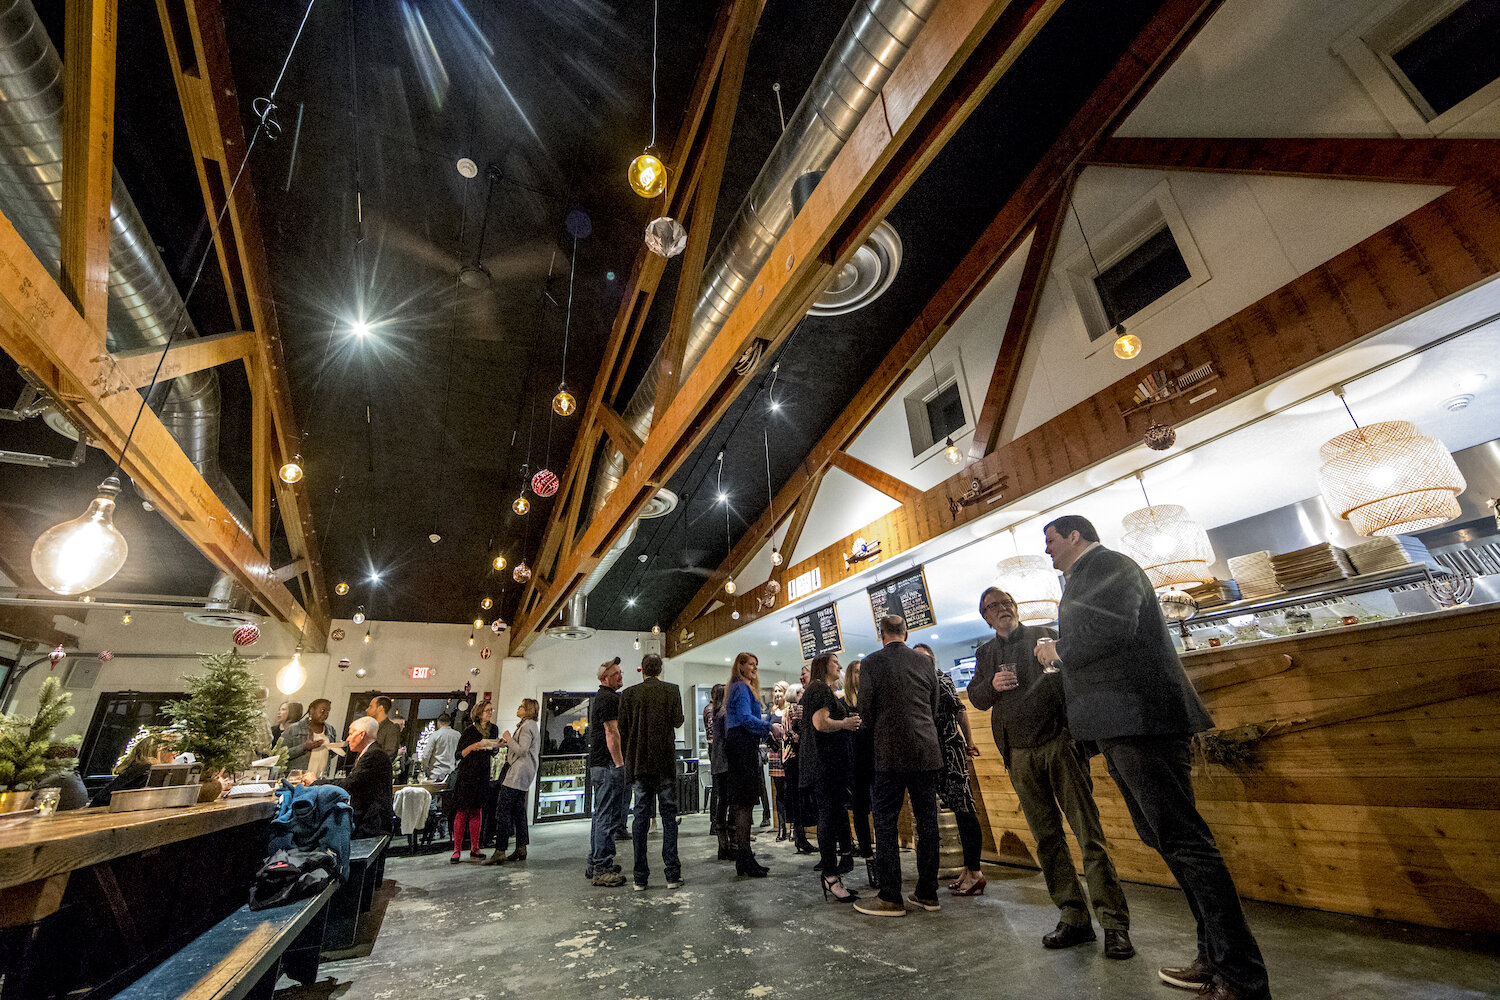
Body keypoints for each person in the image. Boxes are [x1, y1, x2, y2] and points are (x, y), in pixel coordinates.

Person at [1038, 515, 1268, 1000]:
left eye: (1052, 540)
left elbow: (1109, 633)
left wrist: (1057, 650)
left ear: (1076, 536)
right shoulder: (1087, 575)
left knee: (1186, 843)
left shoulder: (1110, 566)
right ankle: (1213, 958)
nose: (1048, 550)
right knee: (1168, 842)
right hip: (1121, 725)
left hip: (1142, 720)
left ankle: (1242, 978)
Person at [968, 588, 1133, 955]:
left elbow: (1076, 678)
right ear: (986, 618)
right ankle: (1073, 917)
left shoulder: (1046, 636)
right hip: (1019, 754)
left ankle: (1114, 924)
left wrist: (1077, 735)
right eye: (992, 607)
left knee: (1088, 834)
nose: (1001, 610)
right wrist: (991, 686)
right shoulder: (986, 653)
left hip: (1060, 744)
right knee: (1047, 839)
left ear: (1016, 606)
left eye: (1006, 603)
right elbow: (976, 699)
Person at [854, 614, 941, 918]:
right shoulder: (925, 662)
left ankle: (891, 896)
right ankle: (928, 894)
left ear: (881, 635)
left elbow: (865, 710)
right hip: (927, 750)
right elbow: (935, 703)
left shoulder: (871, 663)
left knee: (886, 823)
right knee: (927, 822)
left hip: (890, 751)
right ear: (906, 632)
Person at [913, 643, 987, 898]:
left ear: (932, 660)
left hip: (949, 750)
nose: (919, 662)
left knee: (964, 808)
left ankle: (976, 872)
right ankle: (968, 870)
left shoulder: (939, 679)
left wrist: (970, 742)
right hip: (935, 750)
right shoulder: (924, 682)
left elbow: (960, 711)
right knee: (957, 808)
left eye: (923, 658)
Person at [618, 653, 685, 890]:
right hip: (664, 763)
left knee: (640, 819)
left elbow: (623, 729)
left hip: (639, 764)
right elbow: (678, 721)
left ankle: (640, 878)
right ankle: (672, 875)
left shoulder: (628, 694)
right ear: (660, 668)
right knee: (669, 819)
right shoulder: (672, 690)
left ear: (642, 670)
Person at [803, 652, 862, 903]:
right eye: (834, 661)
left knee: (835, 816)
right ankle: (830, 876)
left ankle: (835, 874)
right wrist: (846, 723)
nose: (839, 665)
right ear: (823, 666)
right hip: (823, 767)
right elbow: (821, 723)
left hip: (831, 768)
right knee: (827, 818)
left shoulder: (823, 690)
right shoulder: (818, 689)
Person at [723, 652, 772, 878]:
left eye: (756, 664)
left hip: (739, 745)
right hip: (742, 746)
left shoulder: (735, 688)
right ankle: (744, 857)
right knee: (744, 803)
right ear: (740, 667)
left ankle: (745, 857)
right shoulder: (742, 689)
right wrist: (769, 727)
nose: (754, 668)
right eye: (751, 664)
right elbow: (744, 717)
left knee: (743, 803)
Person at [310, 715, 392, 839]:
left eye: (351, 734)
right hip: (367, 819)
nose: (348, 739)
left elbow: (350, 784)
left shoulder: (374, 754)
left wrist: (316, 782)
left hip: (372, 823)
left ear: (362, 734)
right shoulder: (369, 752)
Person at [588, 658, 627, 886]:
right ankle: (602, 868)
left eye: (621, 673)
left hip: (600, 764)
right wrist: (620, 764)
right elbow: (611, 732)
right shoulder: (609, 698)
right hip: (608, 765)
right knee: (606, 815)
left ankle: (595, 863)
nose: (620, 677)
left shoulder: (602, 697)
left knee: (600, 814)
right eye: (616, 674)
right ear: (604, 678)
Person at [489, 699, 540, 865]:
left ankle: (500, 850)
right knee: (519, 811)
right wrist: (509, 743)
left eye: (521, 707)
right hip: (524, 773)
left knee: (503, 810)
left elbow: (523, 750)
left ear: (528, 711)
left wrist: (509, 739)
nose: (518, 708)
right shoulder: (530, 726)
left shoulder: (527, 727)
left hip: (517, 773)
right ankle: (521, 846)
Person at [450, 702, 499, 863]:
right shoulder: (469, 731)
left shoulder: (493, 729)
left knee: (477, 810)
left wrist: (496, 745)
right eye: (487, 710)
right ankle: (457, 849)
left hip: (482, 774)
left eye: (491, 710)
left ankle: (475, 847)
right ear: (479, 713)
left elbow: (494, 751)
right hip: (467, 774)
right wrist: (474, 746)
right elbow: (459, 754)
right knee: (462, 811)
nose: (490, 713)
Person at [843, 659, 874, 857]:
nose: (860, 675)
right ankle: (865, 848)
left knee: (878, 806)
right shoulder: (843, 704)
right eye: (856, 672)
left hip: (874, 758)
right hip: (854, 761)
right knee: (860, 808)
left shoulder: (870, 699)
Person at [89, 733, 169, 807]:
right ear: (158, 752)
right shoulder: (147, 769)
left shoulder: (138, 767)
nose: (175, 753)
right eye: (169, 749)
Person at [708, 684, 733, 861]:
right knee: (728, 801)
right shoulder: (725, 713)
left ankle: (723, 845)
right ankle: (729, 845)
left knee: (722, 801)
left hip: (717, 761)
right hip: (726, 762)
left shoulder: (714, 712)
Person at [282, 699, 338, 777]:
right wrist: (304, 747)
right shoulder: (294, 728)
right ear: (311, 710)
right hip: (298, 778)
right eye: (322, 710)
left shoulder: (331, 730)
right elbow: (281, 754)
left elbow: (330, 755)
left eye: (328, 712)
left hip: (319, 780)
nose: (325, 714)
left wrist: (336, 748)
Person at [767, 683, 789, 842]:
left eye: (780, 690)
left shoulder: (790, 709)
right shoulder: (772, 712)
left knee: (790, 790)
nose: (777, 694)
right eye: (775, 691)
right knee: (779, 792)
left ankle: (793, 826)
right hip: (775, 753)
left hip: (788, 752)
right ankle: (782, 827)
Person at [421, 713, 460, 783]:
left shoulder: (435, 735)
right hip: (451, 773)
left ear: (438, 723)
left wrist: (424, 769)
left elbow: (426, 755)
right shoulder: (458, 735)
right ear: (450, 723)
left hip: (436, 773)